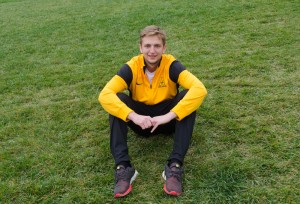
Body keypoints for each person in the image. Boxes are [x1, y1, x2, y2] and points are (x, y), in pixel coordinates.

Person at [98, 25, 207, 198]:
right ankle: (123, 167)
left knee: (188, 98)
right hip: (140, 121)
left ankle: (175, 165)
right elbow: (105, 95)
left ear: (164, 48)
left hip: (167, 121)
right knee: (115, 100)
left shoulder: (172, 65)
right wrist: (133, 116)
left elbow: (199, 89)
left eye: (157, 46)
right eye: (147, 46)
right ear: (140, 47)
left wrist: (169, 116)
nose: (152, 51)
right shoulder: (131, 67)